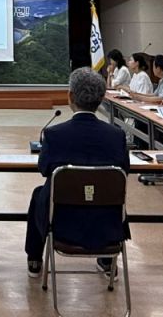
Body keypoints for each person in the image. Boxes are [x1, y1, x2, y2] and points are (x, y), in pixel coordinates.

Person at [24, 68, 128, 277]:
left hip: (61, 219)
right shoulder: (117, 135)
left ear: (70, 96)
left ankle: (34, 258)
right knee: (107, 193)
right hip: (106, 218)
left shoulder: (54, 135)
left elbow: (44, 169)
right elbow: (124, 170)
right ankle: (107, 260)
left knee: (39, 194)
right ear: (101, 98)